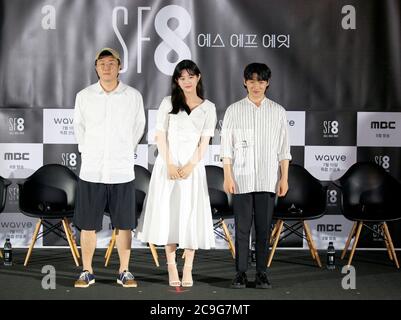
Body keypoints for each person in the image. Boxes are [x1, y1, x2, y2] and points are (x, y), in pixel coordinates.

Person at [137, 60, 217, 287]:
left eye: (191, 77)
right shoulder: (167, 103)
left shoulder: (208, 107)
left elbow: (205, 142)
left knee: (191, 216)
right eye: (182, 78)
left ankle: (189, 268)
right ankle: (171, 266)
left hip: (193, 169)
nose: (187, 81)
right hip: (167, 167)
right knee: (169, 216)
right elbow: (160, 137)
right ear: (176, 81)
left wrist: (191, 165)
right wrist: (170, 164)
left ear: (198, 78)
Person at [73, 48, 146, 288]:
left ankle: (124, 271)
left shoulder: (132, 95)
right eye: (102, 63)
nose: (107, 67)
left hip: (121, 170)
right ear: (96, 67)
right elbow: (79, 128)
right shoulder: (84, 96)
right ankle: (86, 271)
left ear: (119, 66)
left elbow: (138, 127)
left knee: (124, 224)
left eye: (111, 63)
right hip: (92, 170)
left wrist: (124, 150)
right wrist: (90, 152)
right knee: (87, 224)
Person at [220, 62, 291, 289]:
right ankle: (240, 273)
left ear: (267, 83)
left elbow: (284, 150)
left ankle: (262, 273)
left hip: (268, 180)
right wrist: (228, 176)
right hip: (241, 179)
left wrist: (284, 178)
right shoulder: (233, 110)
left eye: (261, 81)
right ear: (244, 82)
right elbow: (226, 149)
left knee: (263, 230)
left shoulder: (278, 111)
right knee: (241, 230)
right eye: (251, 81)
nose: (256, 85)